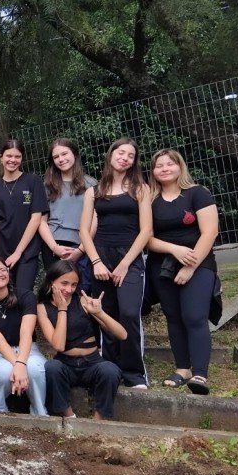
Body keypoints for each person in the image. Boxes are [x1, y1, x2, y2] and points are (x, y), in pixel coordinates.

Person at [80, 137, 152, 389]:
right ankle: (110, 370)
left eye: (130, 155)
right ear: (111, 156)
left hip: (129, 258)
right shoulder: (94, 191)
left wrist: (124, 264)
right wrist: (96, 262)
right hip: (100, 258)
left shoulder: (141, 189)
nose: (125, 157)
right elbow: (83, 232)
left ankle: (134, 374)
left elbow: (146, 232)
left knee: (129, 313)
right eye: (121, 153)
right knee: (104, 314)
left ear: (134, 162)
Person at [147, 149, 219, 395]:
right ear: (153, 171)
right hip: (162, 266)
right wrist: (174, 249)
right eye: (159, 165)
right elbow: (146, 238)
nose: (165, 168)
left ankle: (199, 373)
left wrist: (190, 265)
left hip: (198, 263)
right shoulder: (149, 199)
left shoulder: (198, 194)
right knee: (174, 317)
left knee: (194, 316)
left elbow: (210, 232)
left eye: (170, 164)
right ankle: (182, 369)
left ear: (180, 167)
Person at [37, 260, 126, 420]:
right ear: (52, 281)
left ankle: (98, 420)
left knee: (111, 370)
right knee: (52, 367)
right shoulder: (43, 307)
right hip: (65, 363)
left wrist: (99, 313)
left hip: (92, 362)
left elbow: (122, 335)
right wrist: (62, 309)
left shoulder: (83, 301)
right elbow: (58, 345)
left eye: (73, 284)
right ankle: (69, 417)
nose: (68, 289)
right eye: (64, 283)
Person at [0, 255, 47, 416]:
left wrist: (21, 363)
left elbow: (26, 332)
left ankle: (40, 412)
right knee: (2, 371)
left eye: (3, 269)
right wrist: (18, 366)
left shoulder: (26, 296)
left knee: (35, 368)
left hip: (29, 348)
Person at [0, 139, 48, 292]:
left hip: (27, 252)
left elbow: (36, 218)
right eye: (8, 156)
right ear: (1, 157)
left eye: (17, 156)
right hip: (2, 251)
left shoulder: (33, 181)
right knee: (5, 294)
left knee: (23, 292)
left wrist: (18, 252)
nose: (13, 160)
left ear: (22, 158)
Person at [39, 138, 98, 292]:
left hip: (82, 246)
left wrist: (81, 250)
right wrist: (54, 247)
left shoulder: (91, 184)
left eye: (64, 154)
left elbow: (95, 220)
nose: (61, 159)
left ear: (75, 154)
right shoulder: (46, 185)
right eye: (56, 157)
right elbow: (41, 221)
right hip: (54, 246)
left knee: (82, 290)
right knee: (57, 292)